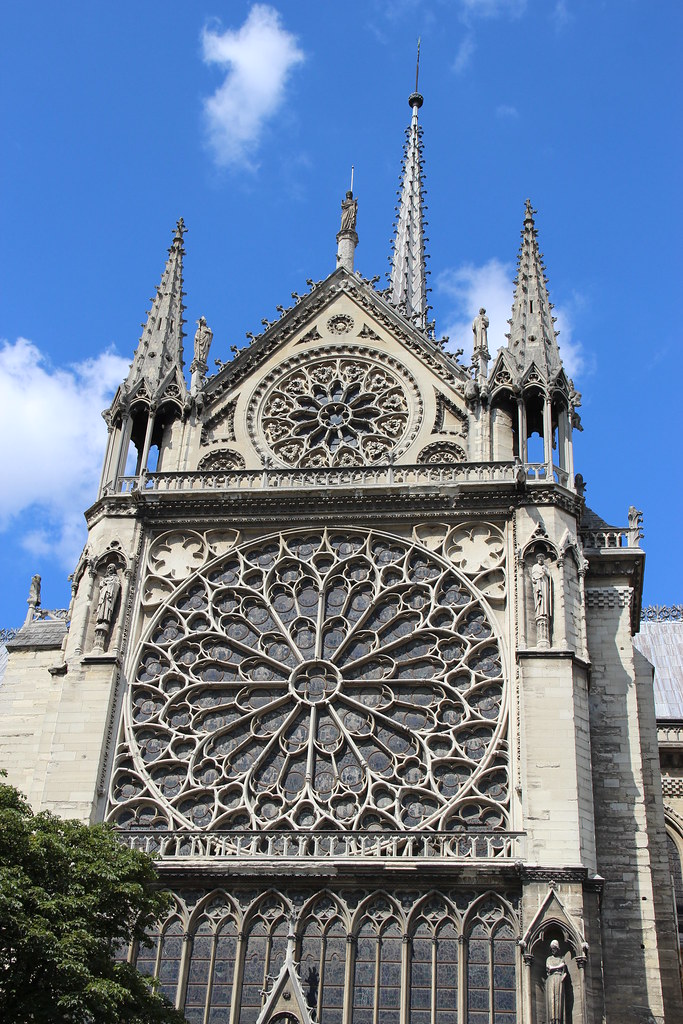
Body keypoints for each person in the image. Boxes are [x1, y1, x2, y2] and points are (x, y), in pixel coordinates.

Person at [545, 940, 567, 1024]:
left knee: (558, 998)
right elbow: (548, 967)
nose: (553, 950)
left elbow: (562, 966)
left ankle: (558, 1019)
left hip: (559, 979)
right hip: (551, 979)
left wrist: (553, 968)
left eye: (554, 948)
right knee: (552, 998)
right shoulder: (549, 959)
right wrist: (558, 967)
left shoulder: (561, 959)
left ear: (558, 949)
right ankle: (552, 1019)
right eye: (552, 949)